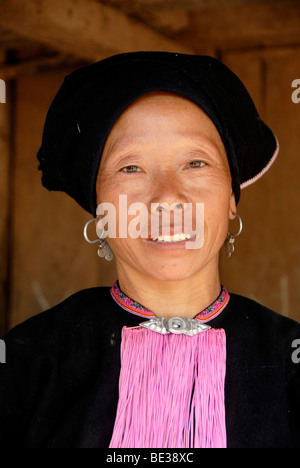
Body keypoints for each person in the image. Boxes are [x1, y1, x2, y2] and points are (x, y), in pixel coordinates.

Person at [0, 52, 299, 448]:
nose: (167, 198)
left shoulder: (289, 362)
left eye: (195, 162)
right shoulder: (26, 363)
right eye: (131, 168)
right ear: (100, 207)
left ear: (231, 195)